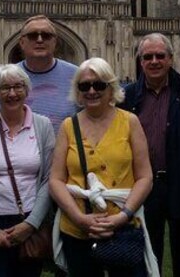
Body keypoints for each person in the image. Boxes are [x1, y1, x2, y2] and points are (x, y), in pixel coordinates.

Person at [120, 34, 180, 277]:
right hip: (143, 190)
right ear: (140, 61)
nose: (154, 61)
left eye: (160, 56)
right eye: (148, 57)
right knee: (147, 261)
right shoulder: (128, 96)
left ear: (170, 59)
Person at [49, 57, 154, 277]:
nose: (92, 91)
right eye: (84, 85)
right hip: (77, 229)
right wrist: (79, 218)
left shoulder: (129, 121)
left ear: (111, 87)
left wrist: (123, 216)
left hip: (122, 227)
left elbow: (145, 177)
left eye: (99, 85)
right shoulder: (69, 126)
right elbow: (56, 180)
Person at [0, 64, 56, 277]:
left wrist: (31, 225)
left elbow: (48, 178)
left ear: (27, 90)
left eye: (18, 87)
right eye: (5, 88)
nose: (12, 93)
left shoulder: (42, 125)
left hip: (29, 223)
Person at [16, 15, 78, 133]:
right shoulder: (7, 78)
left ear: (55, 41)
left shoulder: (77, 76)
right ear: (22, 42)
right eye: (33, 35)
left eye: (46, 35)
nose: (40, 40)